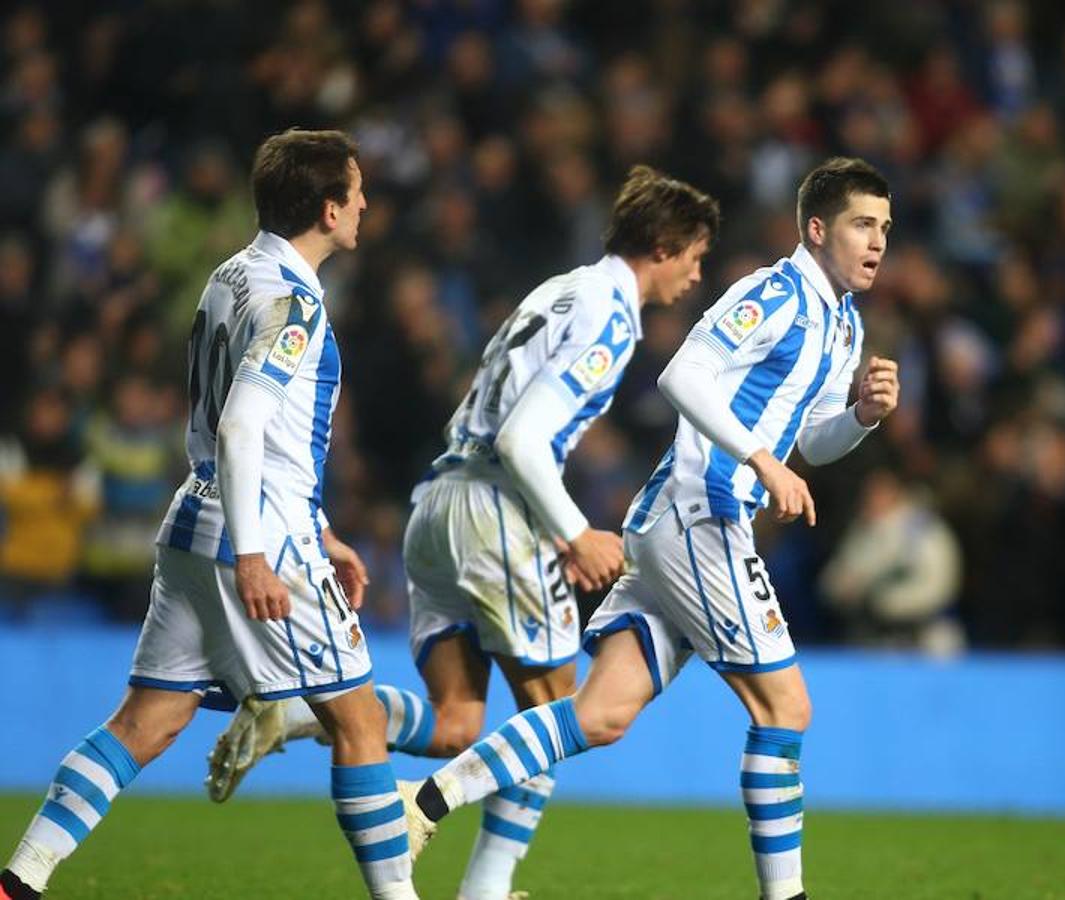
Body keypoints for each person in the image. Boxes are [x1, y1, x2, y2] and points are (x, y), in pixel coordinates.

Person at [206, 165, 720, 900]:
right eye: (695, 256)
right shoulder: (612, 316)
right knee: (554, 716)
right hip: (494, 509)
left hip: (438, 504)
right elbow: (523, 439)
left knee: (456, 725)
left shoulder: (562, 286)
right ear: (664, 247)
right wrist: (574, 531)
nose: (697, 275)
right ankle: (486, 888)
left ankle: (292, 713)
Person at [403, 157, 900, 900]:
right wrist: (761, 460)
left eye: (886, 229)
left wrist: (860, 417)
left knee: (598, 717)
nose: (878, 242)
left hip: (682, 522)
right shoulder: (773, 293)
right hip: (704, 514)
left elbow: (816, 442)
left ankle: (424, 801)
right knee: (787, 707)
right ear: (818, 228)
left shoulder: (842, 325)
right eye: (864, 224)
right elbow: (683, 375)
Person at [0, 129, 422, 900]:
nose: (366, 203)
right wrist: (263, 552)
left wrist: (321, 525)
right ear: (329, 211)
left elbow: (247, 427)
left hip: (195, 521)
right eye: (356, 191)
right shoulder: (296, 305)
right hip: (256, 533)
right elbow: (241, 423)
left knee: (147, 723)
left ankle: (18, 880)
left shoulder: (227, 274)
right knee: (360, 724)